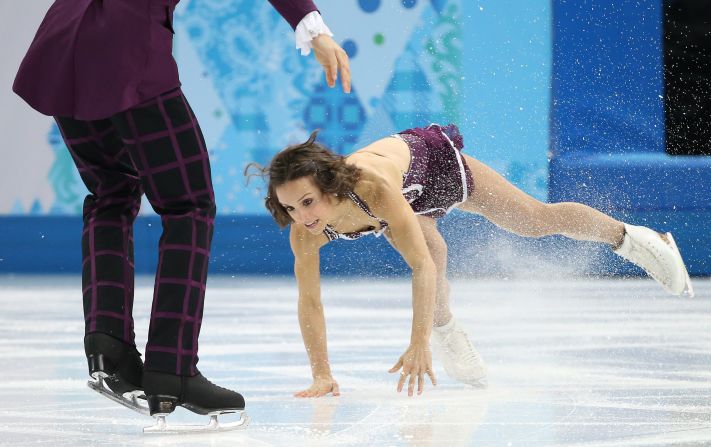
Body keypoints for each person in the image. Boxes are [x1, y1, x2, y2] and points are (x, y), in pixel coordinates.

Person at [12, 0, 351, 431]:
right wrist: (313, 26)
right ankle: (172, 368)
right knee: (189, 205)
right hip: (125, 42)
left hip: (63, 44)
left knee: (110, 194)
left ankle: (108, 343)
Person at [256, 123, 693, 398]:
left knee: (534, 220)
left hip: (431, 166)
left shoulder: (373, 190)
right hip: (400, 205)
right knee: (437, 251)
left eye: (308, 202)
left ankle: (635, 240)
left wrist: (418, 342)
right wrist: (321, 374)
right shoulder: (305, 232)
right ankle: (449, 329)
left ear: (331, 185)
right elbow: (309, 302)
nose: (303, 217)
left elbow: (420, 267)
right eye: (290, 207)